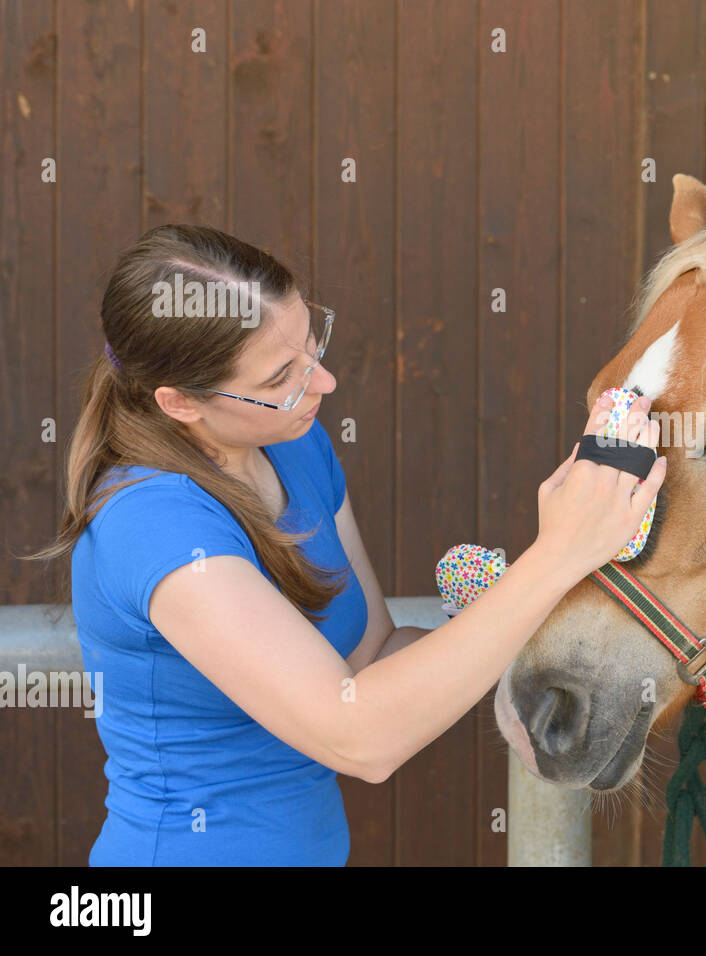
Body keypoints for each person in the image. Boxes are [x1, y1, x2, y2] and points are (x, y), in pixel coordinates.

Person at [24, 223, 666, 865]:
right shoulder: (152, 522)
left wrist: (547, 602)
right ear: (181, 403)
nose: (323, 383)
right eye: (281, 377)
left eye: (312, 342)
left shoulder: (292, 446)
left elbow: (371, 661)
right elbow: (361, 738)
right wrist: (554, 557)